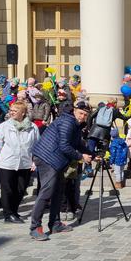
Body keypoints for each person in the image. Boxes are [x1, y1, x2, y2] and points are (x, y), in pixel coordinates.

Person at [29, 101, 93, 241]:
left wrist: (92, 154)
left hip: (56, 160)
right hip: (47, 158)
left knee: (58, 192)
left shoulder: (76, 125)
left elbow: (76, 144)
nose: (83, 116)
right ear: (74, 111)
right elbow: (64, 146)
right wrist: (81, 156)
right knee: (46, 192)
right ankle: (35, 227)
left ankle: (55, 223)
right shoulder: (68, 122)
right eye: (81, 113)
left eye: (85, 115)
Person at [0, 101, 40, 224]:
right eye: (11, 110)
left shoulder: (32, 127)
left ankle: (14, 211)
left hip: (25, 163)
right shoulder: (4, 126)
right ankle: (8, 214)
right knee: (8, 190)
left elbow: (37, 145)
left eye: (15, 111)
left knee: (21, 189)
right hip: (7, 163)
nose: (11, 112)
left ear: (23, 113)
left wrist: (35, 161)